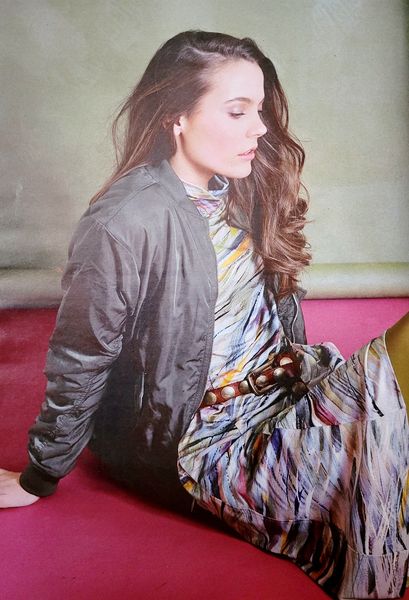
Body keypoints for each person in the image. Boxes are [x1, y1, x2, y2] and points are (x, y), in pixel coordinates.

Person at [1, 30, 409, 599]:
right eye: (237, 111)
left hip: (290, 397)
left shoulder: (241, 188)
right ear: (176, 115)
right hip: (213, 443)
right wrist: (41, 474)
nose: (259, 128)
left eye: (259, 110)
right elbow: (82, 356)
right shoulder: (124, 221)